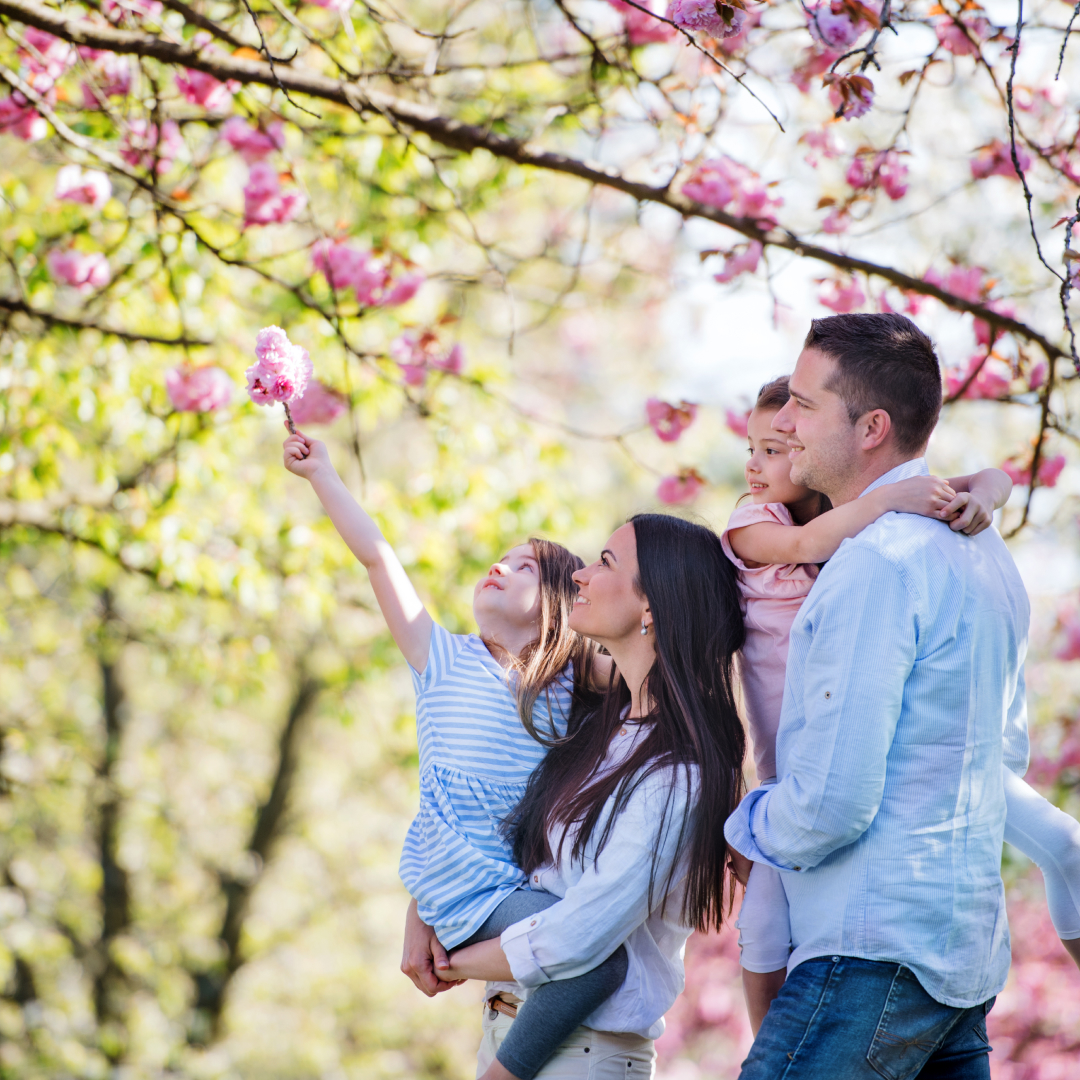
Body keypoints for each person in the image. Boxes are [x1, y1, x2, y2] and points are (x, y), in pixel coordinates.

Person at [725, 374, 1080, 1038]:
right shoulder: (757, 524)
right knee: (765, 932)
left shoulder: (883, 547)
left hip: (887, 769)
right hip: (791, 773)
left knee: (1065, 845)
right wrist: (898, 499)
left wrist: (985, 499)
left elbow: (993, 475)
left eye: (775, 446)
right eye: (756, 446)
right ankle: (767, 1043)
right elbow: (807, 545)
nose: (758, 462)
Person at [282, 428, 633, 1080]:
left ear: (557, 607)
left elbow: (656, 673)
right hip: (463, 890)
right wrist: (322, 476)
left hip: (511, 883)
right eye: (499, 560)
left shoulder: (574, 684)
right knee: (599, 962)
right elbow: (378, 558)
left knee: (591, 958)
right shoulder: (441, 659)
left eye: (524, 566)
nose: (499, 566)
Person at [406, 514, 748, 1078]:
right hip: (510, 1028)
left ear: (651, 609)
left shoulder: (676, 775)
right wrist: (425, 906)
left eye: (605, 563)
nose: (581, 577)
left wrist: (451, 962)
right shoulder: (596, 728)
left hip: (580, 1055)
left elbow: (581, 941)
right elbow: (493, 831)